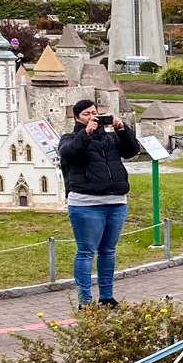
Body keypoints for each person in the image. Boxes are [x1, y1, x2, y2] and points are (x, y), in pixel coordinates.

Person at [57, 99, 139, 306]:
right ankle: (85, 300)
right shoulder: (69, 138)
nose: (92, 117)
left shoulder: (111, 139)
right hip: (86, 204)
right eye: (86, 114)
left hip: (116, 202)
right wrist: (87, 133)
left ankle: (106, 296)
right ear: (77, 117)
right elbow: (69, 155)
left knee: (108, 251)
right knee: (86, 252)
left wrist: (122, 129)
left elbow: (131, 151)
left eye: (95, 113)